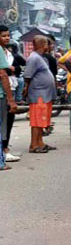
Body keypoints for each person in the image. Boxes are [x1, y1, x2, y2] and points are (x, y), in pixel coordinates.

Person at [23, 36, 56, 154]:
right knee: (37, 121)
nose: (49, 47)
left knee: (42, 120)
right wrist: (26, 89)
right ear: (42, 45)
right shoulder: (33, 58)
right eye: (47, 44)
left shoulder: (40, 58)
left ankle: (40, 143)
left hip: (45, 93)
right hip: (38, 94)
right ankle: (33, 145)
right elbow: (28, 76)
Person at [0, 26, 20, 163]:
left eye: (8, 35)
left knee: (7, 122)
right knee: (4, 123)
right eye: (3, 35)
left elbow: (16, 69)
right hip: (3, 92)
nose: (7, 38)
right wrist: (11, 99)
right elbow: (3, 74)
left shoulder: (8, 51)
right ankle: (4, 152)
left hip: (9, 88)